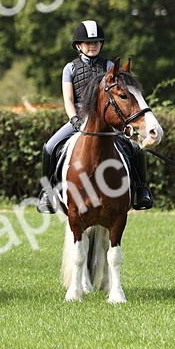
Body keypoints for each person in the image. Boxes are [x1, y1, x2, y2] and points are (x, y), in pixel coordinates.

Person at [35, 19, 154, 214]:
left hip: (106, 120)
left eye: (96, 42)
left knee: (135, 147)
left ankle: (142, 189)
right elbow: (68, 99)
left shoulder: (109, 66)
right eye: (88, 43)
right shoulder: (70, 68)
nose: (92, 46)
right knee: (49, 147)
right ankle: (47, 194)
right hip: (79, 117)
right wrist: (74, 119)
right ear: (78, 46)